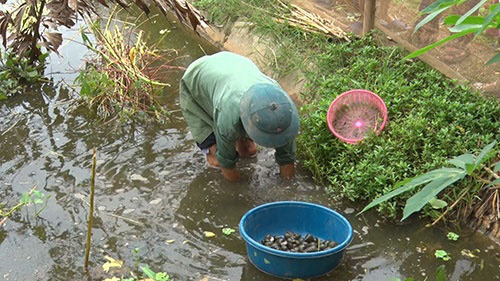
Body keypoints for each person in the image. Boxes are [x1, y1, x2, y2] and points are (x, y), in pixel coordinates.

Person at [179, 51, 300, 182]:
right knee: (216, 162)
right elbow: (226, 162)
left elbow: (287, 157)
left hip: (237, 68)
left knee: (249, 151)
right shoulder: (228, 117)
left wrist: (287, 186)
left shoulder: (283, 111)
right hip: (198, 81)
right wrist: (239, 194)